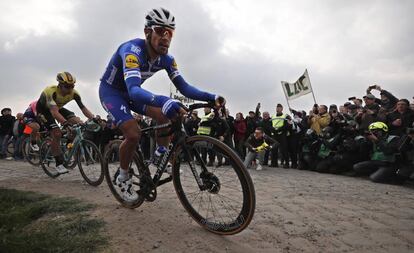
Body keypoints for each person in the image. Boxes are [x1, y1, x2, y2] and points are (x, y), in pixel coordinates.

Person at [98, 8, 225, 201]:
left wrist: (211, 97)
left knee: (169, 114)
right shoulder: (132, 50)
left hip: (132, 94)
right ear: (147, 32)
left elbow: (183, 87)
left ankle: (160, 154)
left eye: (170, 32)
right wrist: (164, 100)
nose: (165, 37)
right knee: (133, 134)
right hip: (112, 93)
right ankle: (123, 177)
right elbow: (133, 89)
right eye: (160, 31)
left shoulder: (167, 59)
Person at [36, 72, 95, 174]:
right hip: (44, 111)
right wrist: (65, 123)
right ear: (59, 85)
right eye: (67, 86)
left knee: (78, 123)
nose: (70, 89)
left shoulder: (74, 93)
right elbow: (54, 113)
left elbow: (83, 108)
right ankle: (59, 163)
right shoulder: (50, 91)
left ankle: (68, 147)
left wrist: (94, 119)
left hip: (58, 108)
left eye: (72, 86)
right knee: (57, 133)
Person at [270, 104, 290, 168]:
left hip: (282, 134)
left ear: (282, 109)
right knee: (274, 149)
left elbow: (287, 125)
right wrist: (273, 130)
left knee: (284, 150)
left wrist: (279, 129)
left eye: (279, 108)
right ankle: (274, 163)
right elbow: (270, 125)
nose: (278, 109)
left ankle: (286, 164)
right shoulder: (273, 116)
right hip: (274, 135)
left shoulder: (285, 116)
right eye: (277, 108)